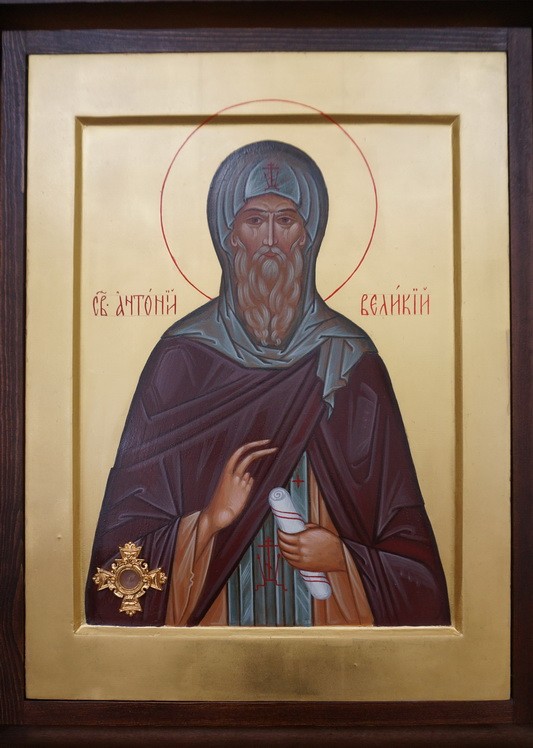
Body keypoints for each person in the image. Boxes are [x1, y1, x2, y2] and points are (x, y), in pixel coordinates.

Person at [86, 140, 450, 628]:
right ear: (229, 236)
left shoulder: (349, 363)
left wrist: (343, 557)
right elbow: (122, 554)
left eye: (287, 220)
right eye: (255, 221)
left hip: (333, 628)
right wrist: (208, 522)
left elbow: (412, 557)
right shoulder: (181, 362)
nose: (272, 240)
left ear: (308, 236)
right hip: (210, 629)